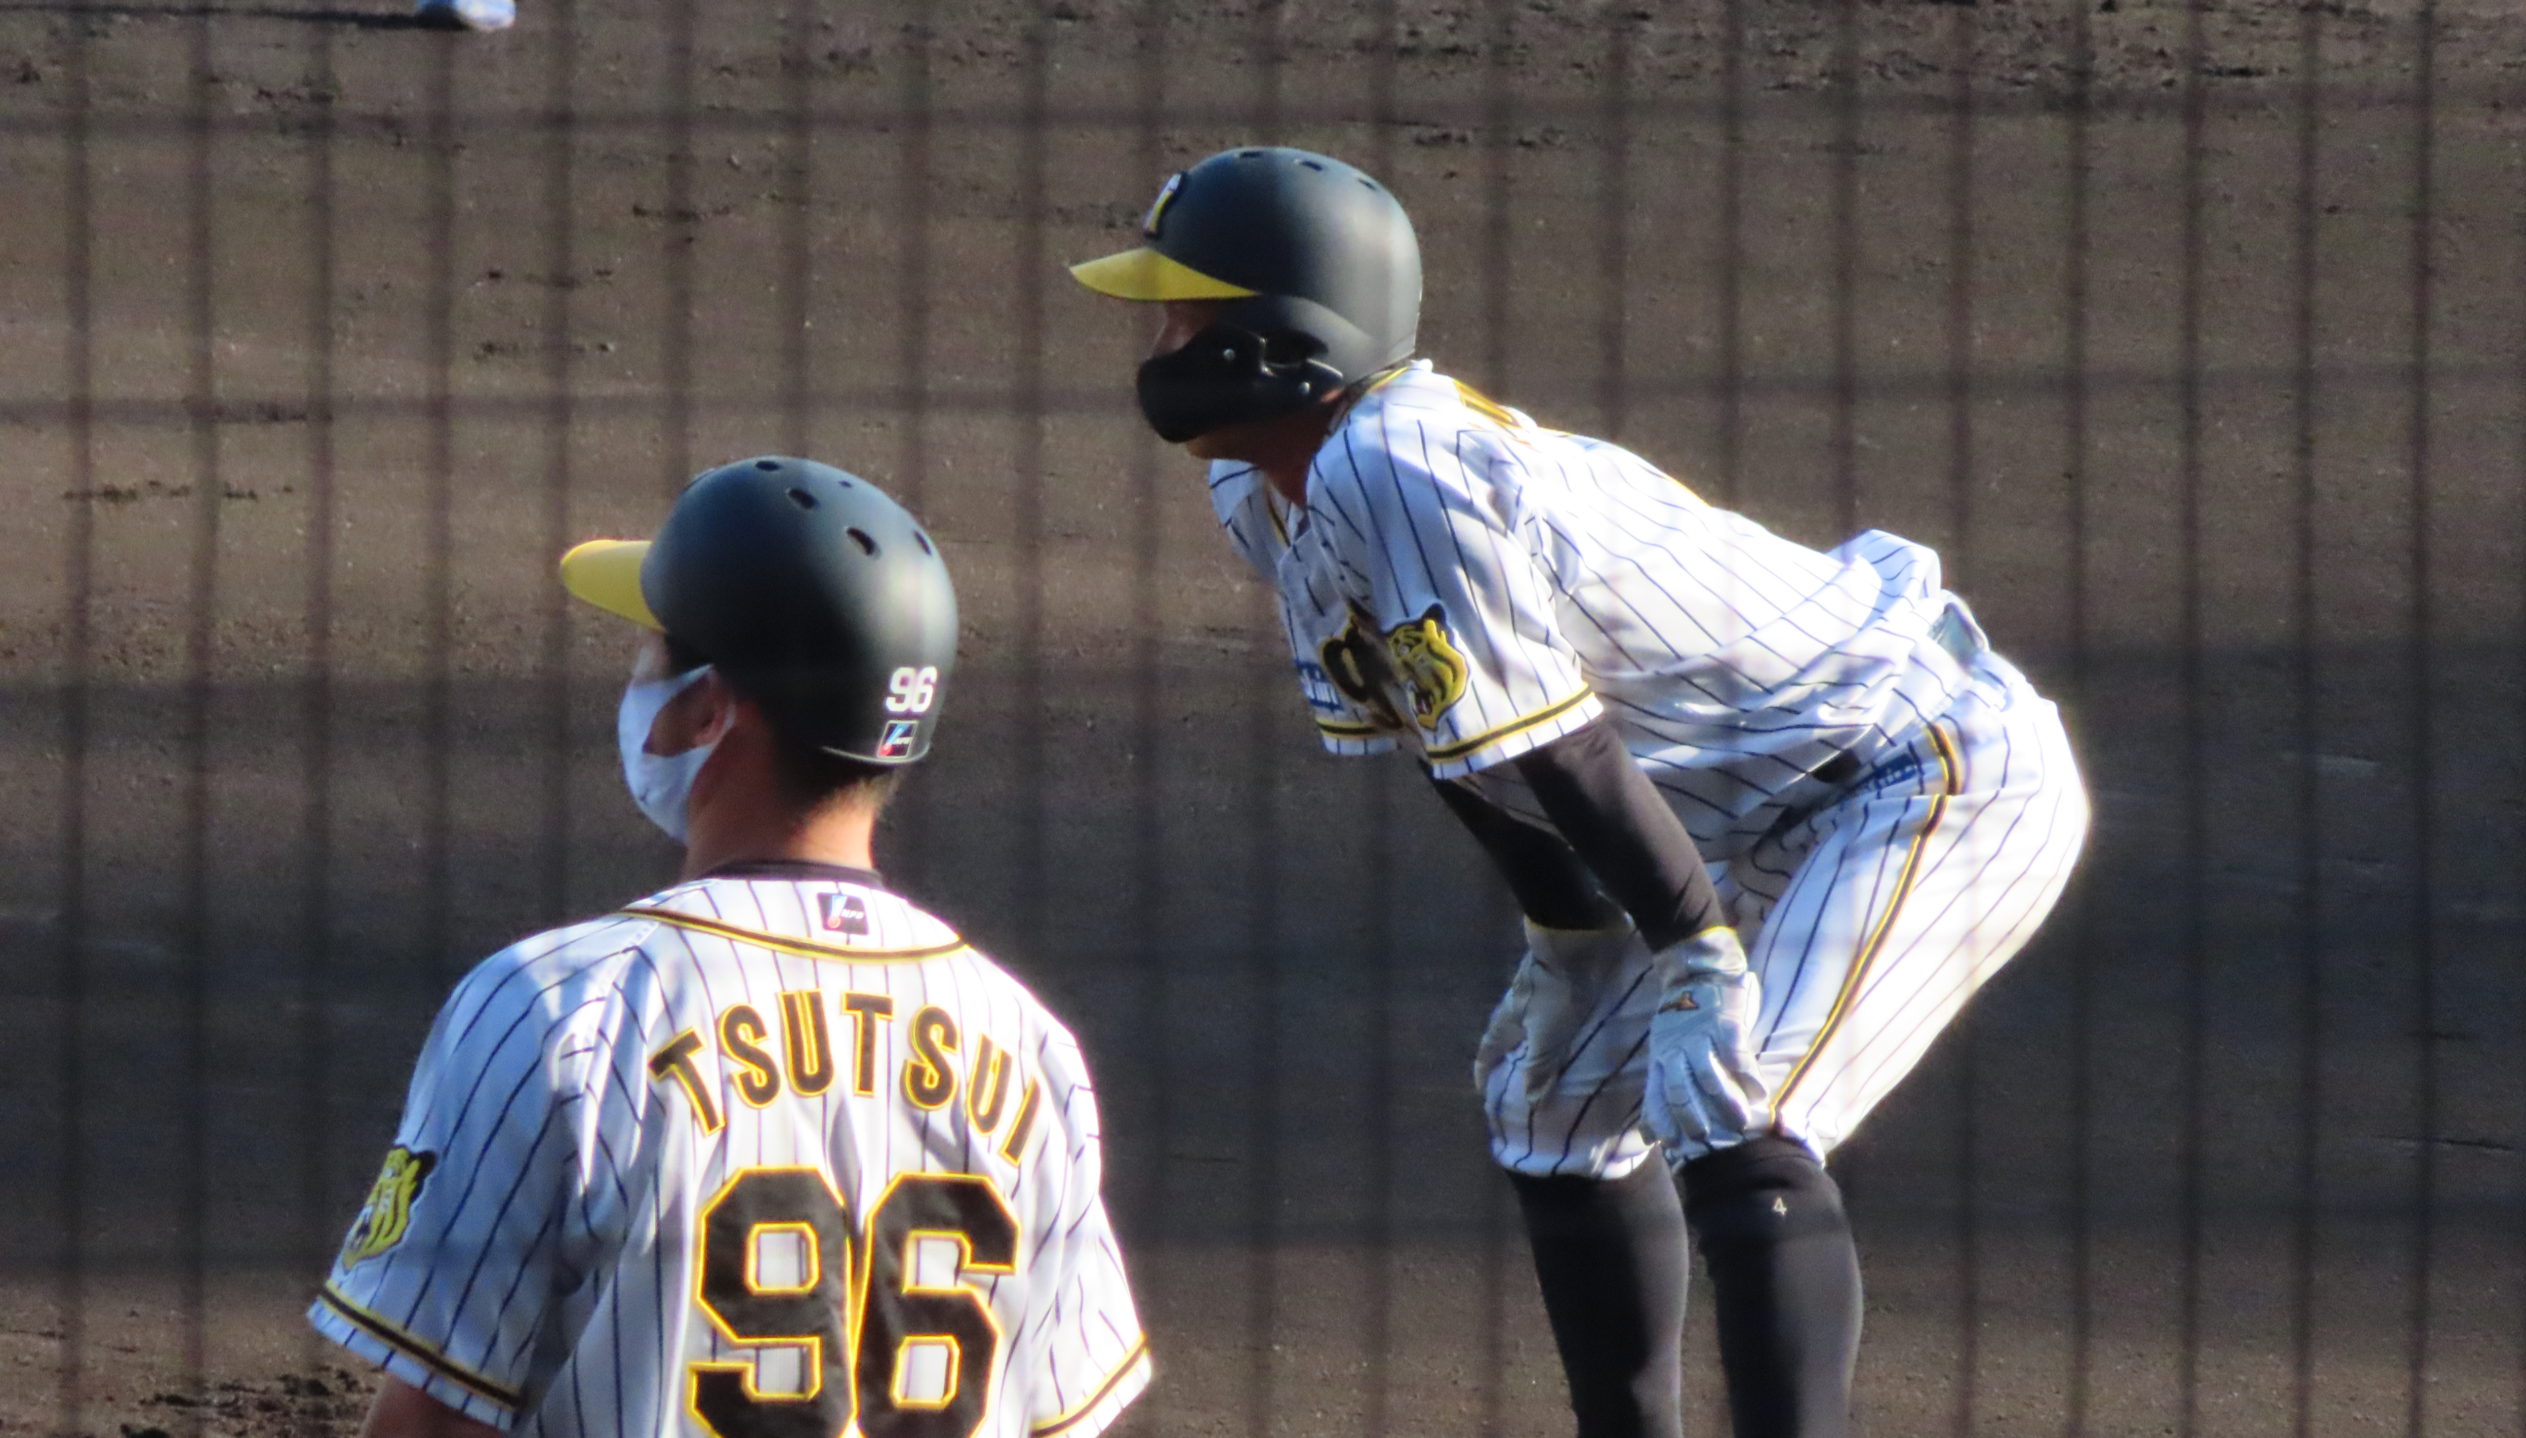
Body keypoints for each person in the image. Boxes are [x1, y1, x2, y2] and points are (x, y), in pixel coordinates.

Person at [1070, 148, 2088, 1438]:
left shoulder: (1396, 464)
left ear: (1277, 342)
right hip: (1720, 814)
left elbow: (1566, 752)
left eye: (1183, 316)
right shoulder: (1269, 495)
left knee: (1737, 1099)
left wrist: (1693, 951)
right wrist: (1569, 935)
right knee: (1548, 1102)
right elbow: (1464, 738)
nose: (1158, 345)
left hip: (1919, 770)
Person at [310, 457, 1151, 1438]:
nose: (637, 680)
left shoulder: (559, 1009)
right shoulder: (1029, 1046)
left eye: (653, 655)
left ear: (710, 707)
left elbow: (432, 1423)